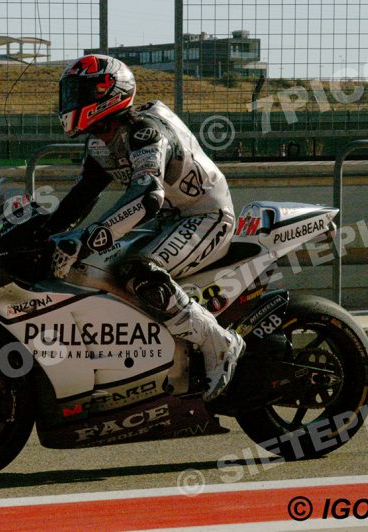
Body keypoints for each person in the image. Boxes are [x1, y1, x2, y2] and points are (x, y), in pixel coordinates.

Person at [43, 54, 245, 401]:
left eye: (80, 93)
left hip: (206, 217)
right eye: (71, 93)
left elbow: (147, 196)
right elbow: (82, 197)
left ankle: (219, 342)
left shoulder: (145, 131)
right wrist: (45, 233)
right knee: (96, 268)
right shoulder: (100, 140)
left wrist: (86, 240)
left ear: (108, 92)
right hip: (168, 220)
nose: (71, 102)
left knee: (138, 270)